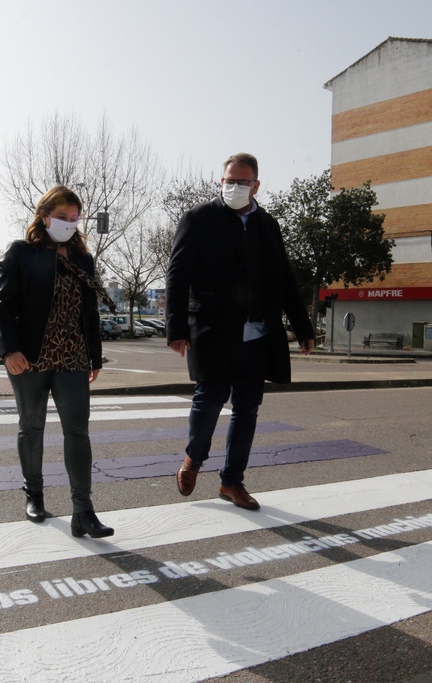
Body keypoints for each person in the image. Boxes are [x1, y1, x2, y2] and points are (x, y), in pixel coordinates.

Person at [165, 153, 315, 511]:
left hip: (257, 336)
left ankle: (232, 482)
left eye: (242, 182)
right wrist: (176, 327)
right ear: (221, 182)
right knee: (208, 403)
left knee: (247, 411)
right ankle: (194, 459)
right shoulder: (199, 219)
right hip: (214, 333)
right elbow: (177, 274)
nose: (234, 187)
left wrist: (302, 326)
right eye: (229, 181)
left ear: (256, 186)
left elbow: (285, 281)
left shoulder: (268, 225)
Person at [0, 185, 116, 538]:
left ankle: (84, 511)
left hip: (73, 354)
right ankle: (34, 495)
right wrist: (9, 349)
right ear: (44, 216)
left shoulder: (82, 259)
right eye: (61, 217)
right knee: (31, 425)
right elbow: (1, 305)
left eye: (74, 219)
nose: (68, 224)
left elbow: (88, 312)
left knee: (77, 431)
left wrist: (95, 355)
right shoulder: (21, 253)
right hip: (29, 355)